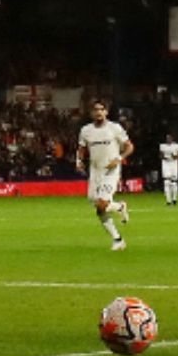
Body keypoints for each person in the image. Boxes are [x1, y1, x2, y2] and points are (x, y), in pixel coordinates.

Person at [78, 100, 135, 250]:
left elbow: (130, 147)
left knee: (102, 203)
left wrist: (119, 159)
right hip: (95, 171)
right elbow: (81, 148)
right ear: (91, 113)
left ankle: (119, 206)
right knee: (99, 209)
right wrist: (79, 161)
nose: (98, 112)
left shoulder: (114, 128)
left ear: (106, 112)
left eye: (101, 109)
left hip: (111, 170)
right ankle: (118, 239)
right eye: (95, 110)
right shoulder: (86, 130)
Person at [160, 130, 178, 207]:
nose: (168, 139)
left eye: (169, 138)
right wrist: (164, 157)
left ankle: (175, 199)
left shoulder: (176, 146)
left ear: (172, 139)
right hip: (166, 164)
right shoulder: (162, 146)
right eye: (167, 138)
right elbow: (160, 155)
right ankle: (168, 200)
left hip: (174, 164)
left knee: (174, 183)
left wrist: (176, 157)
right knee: (166, 182)